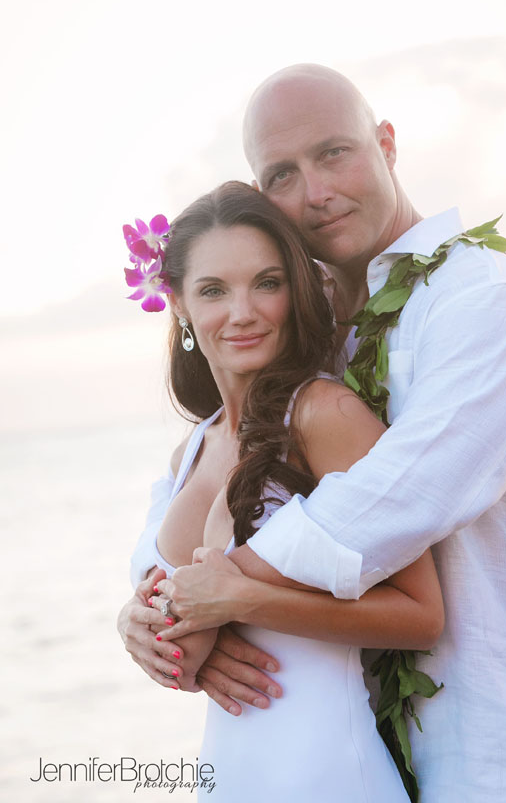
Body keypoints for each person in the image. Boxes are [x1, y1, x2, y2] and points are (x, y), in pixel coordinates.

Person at [122, 65, 506, 802]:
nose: (315, 192)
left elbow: (390, 503)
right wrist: (160, 622)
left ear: (386, 144)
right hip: (365, 755)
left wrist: (208, 601)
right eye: (282, 173)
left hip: (503, 758)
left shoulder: (485, 305)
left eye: (334, 153)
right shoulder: (317, 345)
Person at [125, 180, 444, 800]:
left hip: (327, 771)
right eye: (214, 290)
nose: (242, 311)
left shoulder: (325, 416)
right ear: (179, 303)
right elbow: (185, 648)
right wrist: (134, 627)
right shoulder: (192, 449)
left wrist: (242, 600)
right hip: (231, 773)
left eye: (266, 283)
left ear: (294, 292)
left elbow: (423, 616)